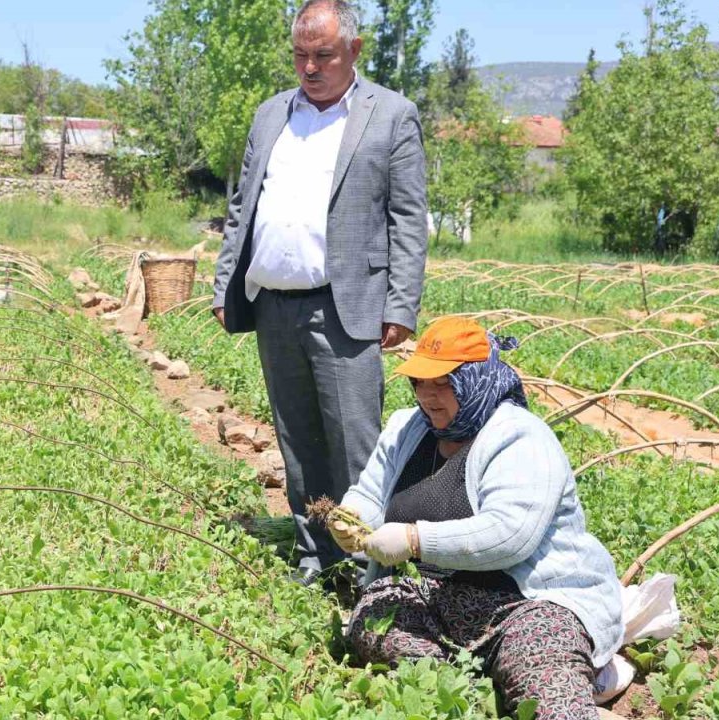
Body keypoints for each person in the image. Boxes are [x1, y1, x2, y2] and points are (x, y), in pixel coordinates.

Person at [211, 0, 428, 585]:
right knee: (298, 442)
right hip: (276, 305)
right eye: (301, 55)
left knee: (355, 444)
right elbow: (242, 210)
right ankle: (316, 556)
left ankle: (369, 569)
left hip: (345, 307)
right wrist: (223, 279)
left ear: (354, 51)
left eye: (323, 55)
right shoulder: (270, 116)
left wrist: (400, 305)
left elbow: (408, 219)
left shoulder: (391, 116)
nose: (310, 67)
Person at [329, 317, 623, 720]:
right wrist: (352, 516)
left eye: (444, 383)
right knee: (375, 620)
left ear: (476, 379)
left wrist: (416, 541)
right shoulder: (406, 427)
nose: (428, 397)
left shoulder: (520, 437)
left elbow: (510, 535)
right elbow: (370, 492)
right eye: (419, 383)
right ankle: (472, 689)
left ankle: (557, 680)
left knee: (542, 666)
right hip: (434, 598)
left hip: (524, 604)